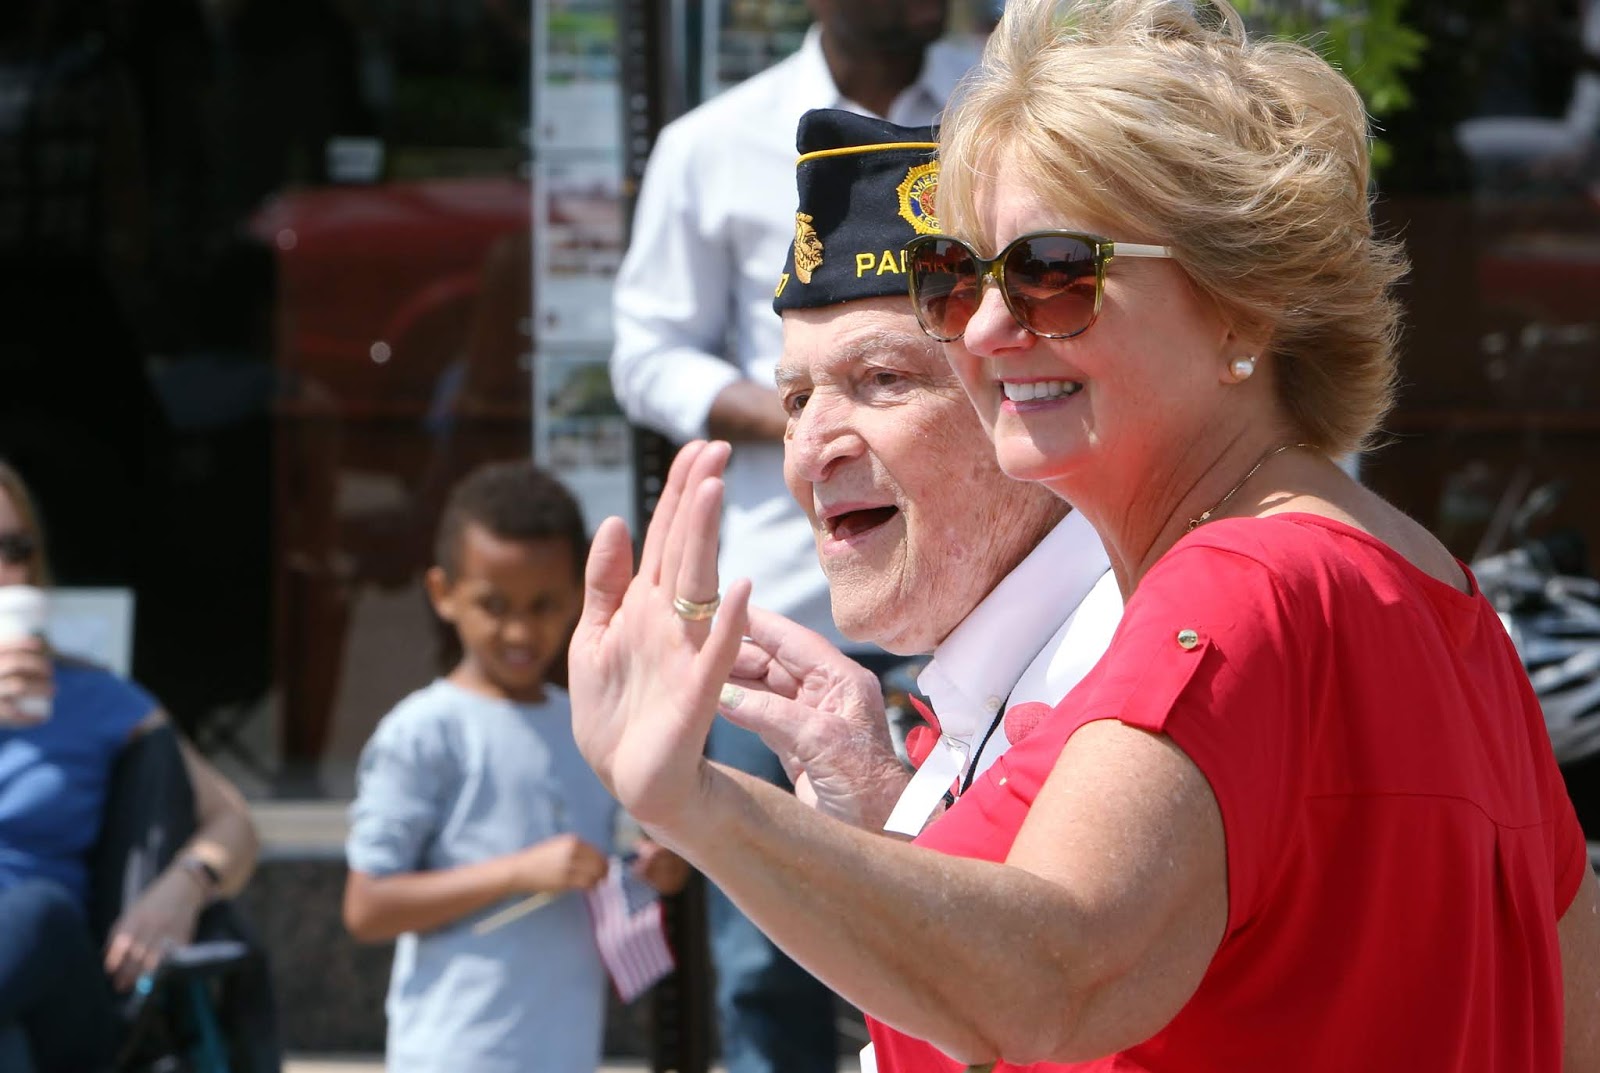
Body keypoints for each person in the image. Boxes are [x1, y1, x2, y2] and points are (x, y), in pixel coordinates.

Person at [567, 1, 1600, 1070]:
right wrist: (880, 805)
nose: (982, 328)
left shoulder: (1238, 584)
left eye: (1052, 273)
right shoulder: (1428, 587)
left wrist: (699, 803)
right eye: (956, 280)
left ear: (1242, 304)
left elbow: (1057, 976)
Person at [609, 4, 979, 1067]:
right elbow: (645, 350)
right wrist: (803, 413)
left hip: (970, 588)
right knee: (765, 955)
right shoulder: (712, 143)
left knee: (965, 894)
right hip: (779, 597)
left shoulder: (999, 109)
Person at [717, 108, 1120, 842]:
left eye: (882, 379)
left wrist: (685, 810)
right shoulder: (1011, 672)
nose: (809, 452)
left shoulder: (1127, 663)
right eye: (797, 400)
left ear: (1026, 391)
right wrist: (877, 811)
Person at [342, 459, 688, 1073]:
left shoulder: (586, 721)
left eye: (544, 605)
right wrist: (518, 872)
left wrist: (655, 868)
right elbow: (367, 906)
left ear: (578, 597)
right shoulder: (423, 730)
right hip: (453, 1052)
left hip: (566, 1049)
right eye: (495, 605)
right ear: (443, 594)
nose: (521, 631)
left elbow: (615, 857)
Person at [0, 460, 261, 1073]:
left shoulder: (98, 697)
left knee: (39, 912)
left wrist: (186, 884)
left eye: (14, 549)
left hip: (63, 986)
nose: (1, 571)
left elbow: (235, 823)